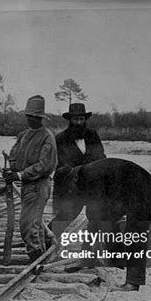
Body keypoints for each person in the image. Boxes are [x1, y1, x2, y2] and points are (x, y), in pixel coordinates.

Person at [57, 158, 151, 292]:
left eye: (70, 189)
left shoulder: (90, 176)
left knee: (134, 236)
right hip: (133, 195)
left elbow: (102, 212)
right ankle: (87, 258)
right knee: (100, 222)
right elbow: (94, 215)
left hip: (146, 197)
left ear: (73, 179)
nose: (71, 192)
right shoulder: (84, 175)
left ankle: (133, 283)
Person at [3, 95, 58, 262]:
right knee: (34, 222)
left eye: (33, 117)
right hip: (28, 184)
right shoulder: (24, 135)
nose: (29, 119)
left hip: (39, 184)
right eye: (28, 116)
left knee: (28, 224)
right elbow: (15, 155)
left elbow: (45, 165)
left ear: (39, 118)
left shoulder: (47, 137)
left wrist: (19, 175)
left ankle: (36, 257)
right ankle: (42, 252)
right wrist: (11, 166)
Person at [50, 102, 106, 240]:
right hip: (71, 186)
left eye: (81, 119)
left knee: (95, 215)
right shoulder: (60, 138)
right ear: (70, 120)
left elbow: (102, 156)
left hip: (92, 184)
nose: (78, 122)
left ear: (85, 120)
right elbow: (59, 164)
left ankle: (88, 249)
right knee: (67, 215)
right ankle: (47, 239)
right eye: (75, 119)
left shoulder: (93, 135)